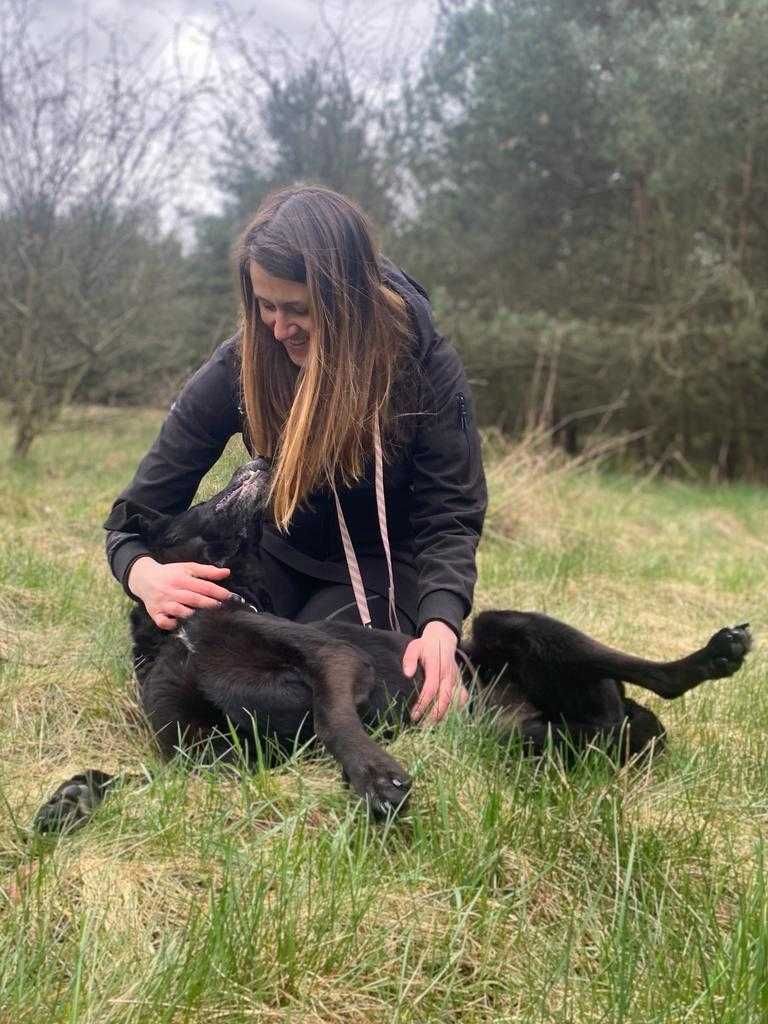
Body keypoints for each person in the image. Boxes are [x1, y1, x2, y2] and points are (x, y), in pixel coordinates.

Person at [104, 185, 486, 724]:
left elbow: (451, 514)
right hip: (270, 557)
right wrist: (140, 571)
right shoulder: (245, 362)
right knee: (198, 695)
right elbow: (137, 512)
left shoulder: (421, 367)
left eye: (298, 309)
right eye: (265, 306)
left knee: (326, 692)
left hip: (380, 569)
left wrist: (441, 623)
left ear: (346, 301)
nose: (279, 328)